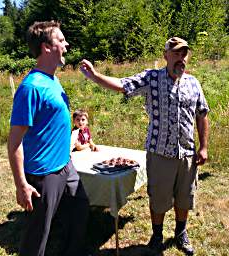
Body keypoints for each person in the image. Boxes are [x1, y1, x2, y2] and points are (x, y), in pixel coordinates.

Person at [80, 37, 209, 255]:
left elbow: (202, 114)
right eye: (176, 53)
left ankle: (181, 233)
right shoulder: (152, 78)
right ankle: (157, 235)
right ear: (165, 55)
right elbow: (122, 85)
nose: (181, 58)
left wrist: (203, 147)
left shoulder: (193, 82)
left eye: (184, 54)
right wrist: (94, 76)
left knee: (185, 197)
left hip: (187, 153)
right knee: (158, 198)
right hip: (159, 153)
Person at [7, 21, 89, 256]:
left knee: (80, 209)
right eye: (61, 40)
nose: (66, 44)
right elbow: (14, 143)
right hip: (43, 175)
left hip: (66, 166)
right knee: (38, 234)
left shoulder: (53, 79)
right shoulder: (31, 88)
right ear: (46, 47)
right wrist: (21, 184)